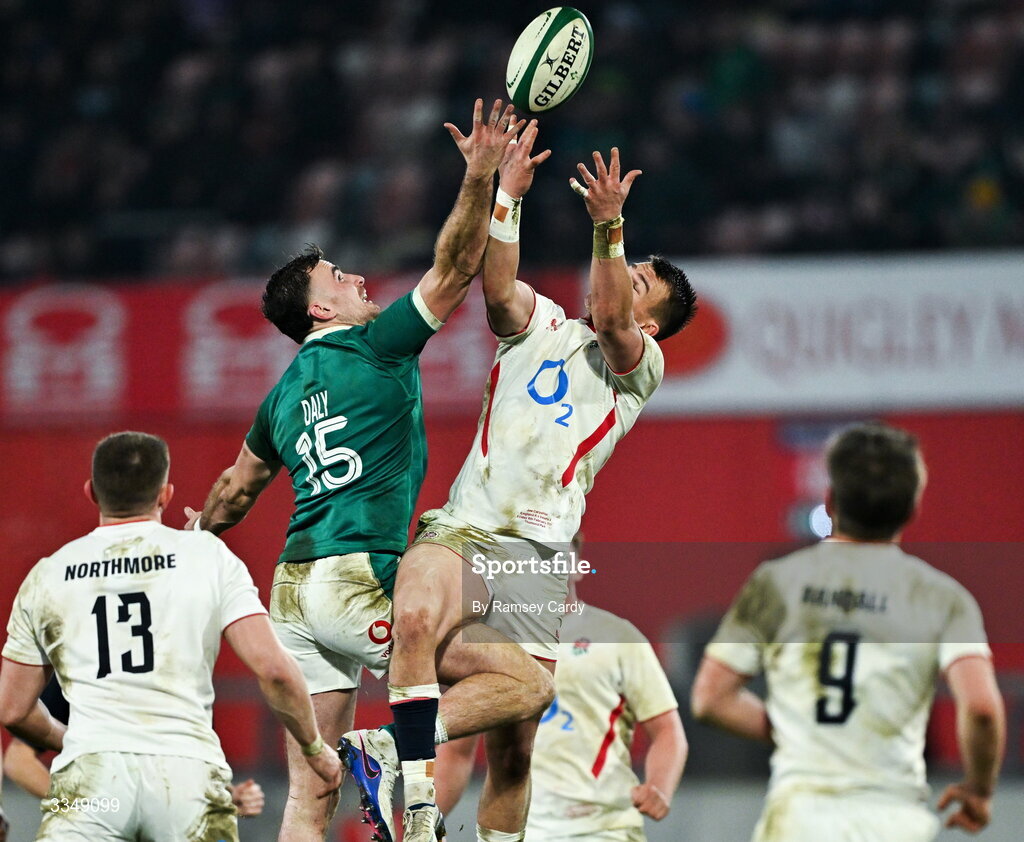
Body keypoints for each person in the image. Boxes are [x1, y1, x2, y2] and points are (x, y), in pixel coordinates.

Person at [185, 99, 552, 842]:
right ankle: (386, 748)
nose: (355, 276)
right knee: (526, 683)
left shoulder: (281, 397)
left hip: (294, 589)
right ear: (319, 311)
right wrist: (479, 178)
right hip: (361, 579)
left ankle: (369, 760)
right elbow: (456, 267)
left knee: (309, 791)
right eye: (336, 275)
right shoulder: (376, 345)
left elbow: (235, 490)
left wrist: (197, 536)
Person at [344, 128, 698, 842]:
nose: (616, 280)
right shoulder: (543, 325)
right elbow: (498, 288)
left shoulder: (639, 369)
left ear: (652, 325)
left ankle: (390, 744)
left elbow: (614, 321)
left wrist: (608, 227)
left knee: (514, 750)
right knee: (416, 621)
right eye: (622, 268)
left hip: (536, 556)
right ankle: (415, 803)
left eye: (635, 284)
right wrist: (506, 195)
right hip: (463, 527)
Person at [0, 431, 340, 842]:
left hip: (91, 784)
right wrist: (314, 748)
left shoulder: (48, 575)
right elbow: (275, 671)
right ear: (165, 493)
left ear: (92, 492)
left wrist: (70, 739)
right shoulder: (207, 556)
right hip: (187, 781)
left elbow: (13, 710)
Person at [691, 422, 1006, 842]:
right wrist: (980, 791)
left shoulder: (777, 583)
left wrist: (802, 732)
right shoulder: (942, 598)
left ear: (830, 501)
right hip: (893, 822)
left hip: (798, 822)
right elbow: (982, 708)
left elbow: (711, 698)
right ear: (912, 508)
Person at [434, 534, 688, 842]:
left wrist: (659, 787)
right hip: (520, 831)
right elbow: (456, 754)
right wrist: (422, 823)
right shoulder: (490, 644)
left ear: (578, 564)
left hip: (603, 829)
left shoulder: (617, 636)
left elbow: (667, 730)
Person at [2, 679, 266, 817]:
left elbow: (187, 769)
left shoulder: (185, 678)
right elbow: (18, 761)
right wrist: (80, 808)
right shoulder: (80, 668)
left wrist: (228, 796)